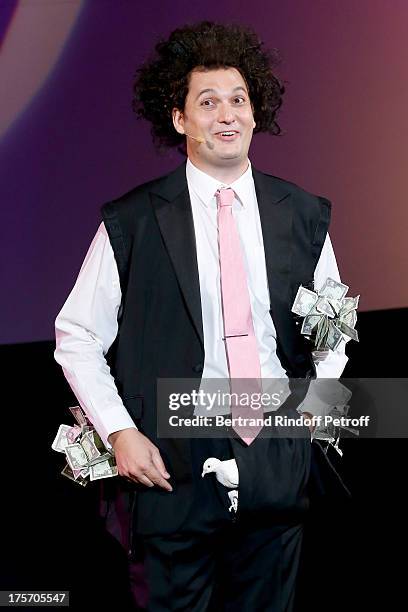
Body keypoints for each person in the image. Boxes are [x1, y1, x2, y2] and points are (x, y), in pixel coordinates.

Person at [54, 21, 349, 611]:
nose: (227, 115)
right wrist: (119, 432)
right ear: (179, 119)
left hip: (275, 452)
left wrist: (317, 409)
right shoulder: (134, 220)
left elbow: (332, 325)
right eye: (207, 102)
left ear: (254, 110)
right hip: (171, 461)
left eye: (238, 99)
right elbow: (78, 335)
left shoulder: (303, 213)